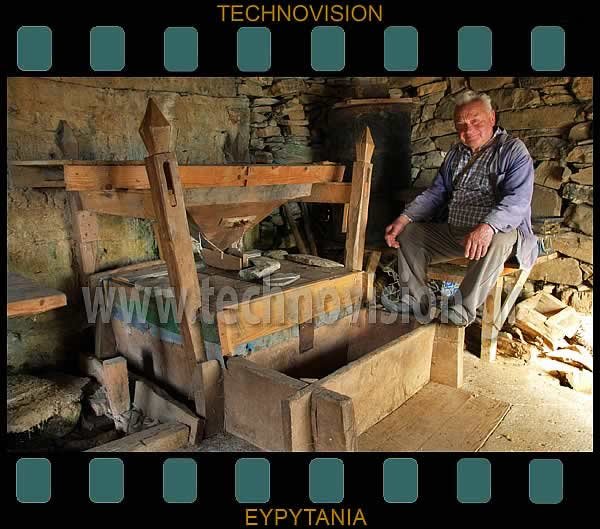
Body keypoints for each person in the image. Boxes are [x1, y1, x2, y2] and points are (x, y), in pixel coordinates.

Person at [384, 90, 538, 326]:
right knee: (409, 234)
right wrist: (404, 218)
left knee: (499, 238)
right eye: (461, 125)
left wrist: (487, 227)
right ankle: (416, 303)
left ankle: (461, 310)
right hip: (456, 232)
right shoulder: (456, 153)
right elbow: (436, 193)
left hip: (495, 234)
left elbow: (517, 201)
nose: (468, 130)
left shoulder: (512, 151)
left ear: (492, 118)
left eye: (476, 121)